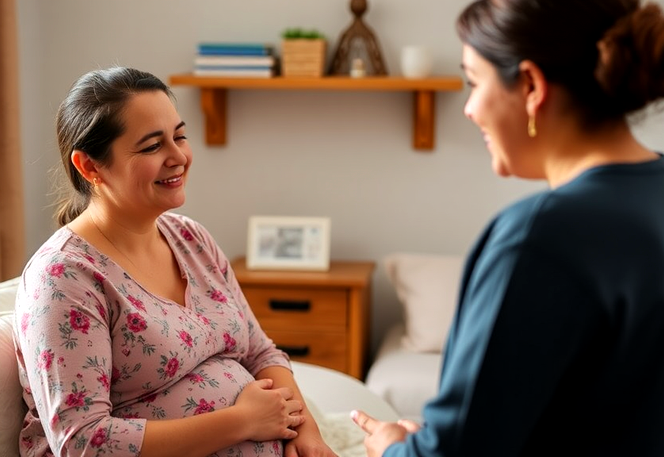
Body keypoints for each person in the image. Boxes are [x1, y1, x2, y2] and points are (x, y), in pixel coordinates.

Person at [351, 0, 664, 456]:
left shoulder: (539, 238)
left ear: (532, 86)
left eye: (474, 82)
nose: (469, 109)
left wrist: (392, 446)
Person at [13, 66, 336, 457]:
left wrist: (308, 434)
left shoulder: (190, 238)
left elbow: (260, 352)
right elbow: (83, 441)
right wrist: (242, 422)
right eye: (152, 146)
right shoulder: (64, 278)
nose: (178, 156)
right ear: (90, 167)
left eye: (179, 136)